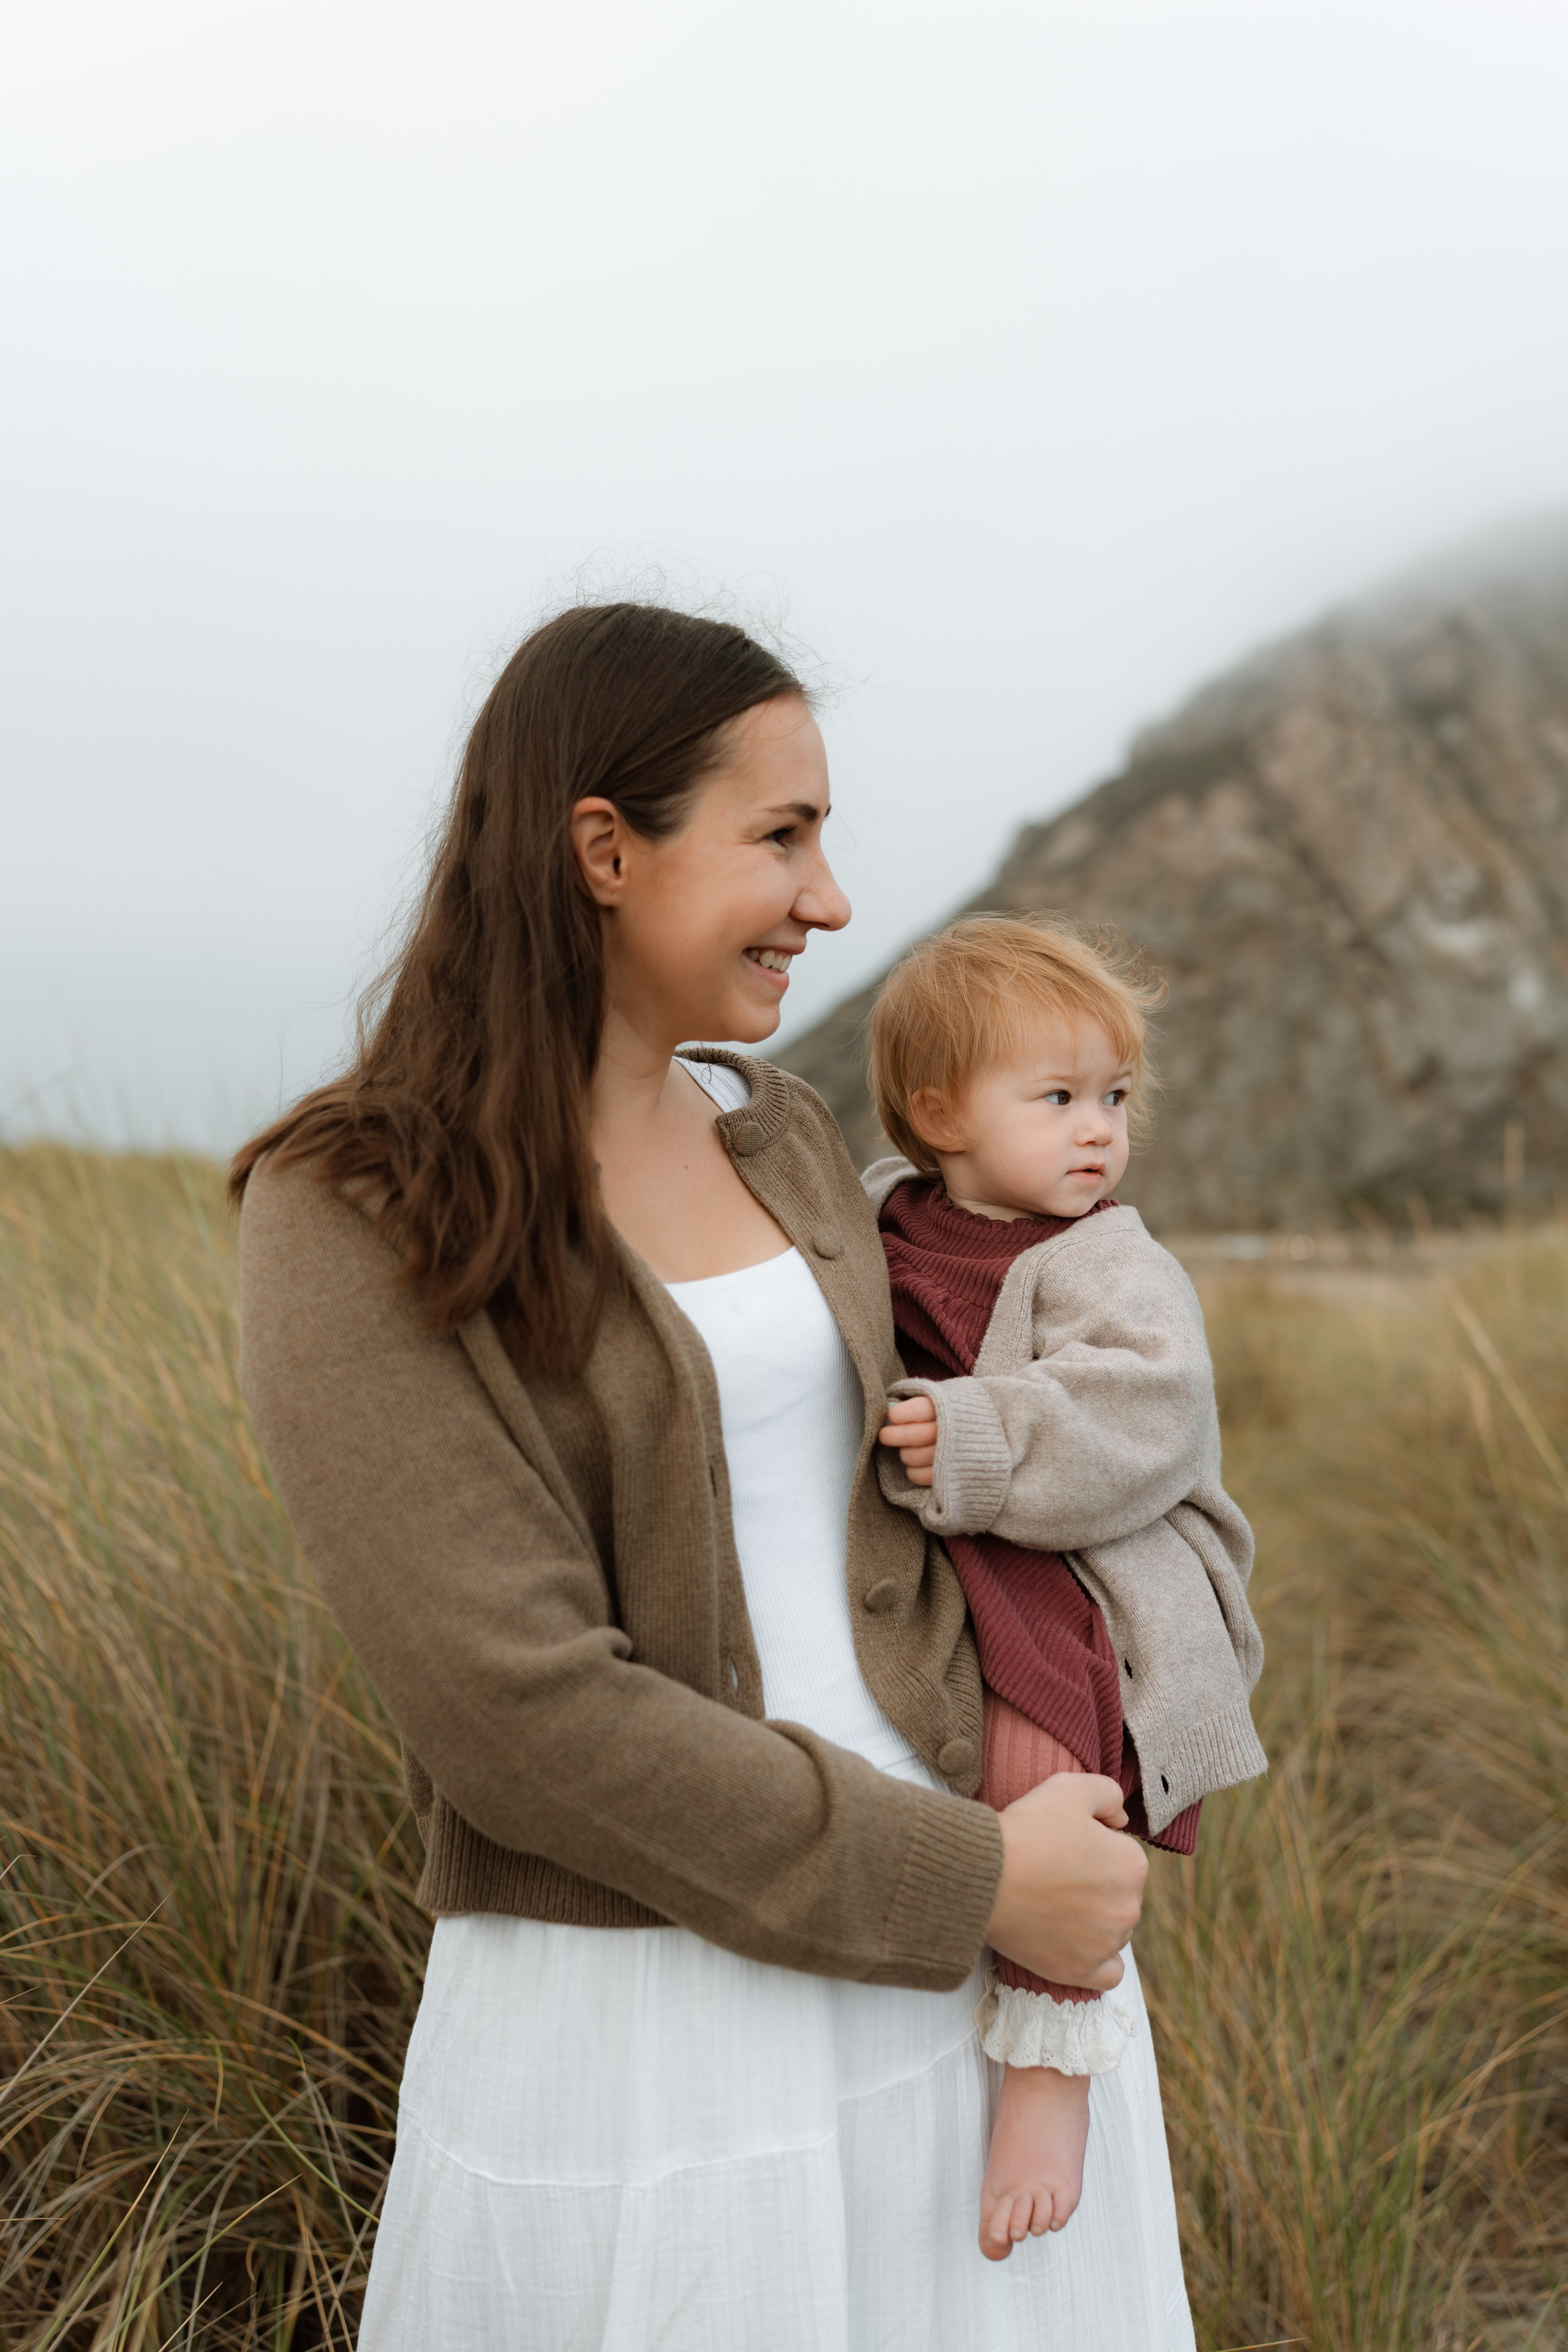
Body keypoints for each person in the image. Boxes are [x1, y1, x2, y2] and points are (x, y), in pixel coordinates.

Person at [230, 604, 1182, 2350]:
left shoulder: (789, 1131)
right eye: (783, 835)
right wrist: (973, 1880)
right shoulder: (347, 1211)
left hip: (971, 1984)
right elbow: (512, 1714)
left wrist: (1074, 1816)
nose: (831, 899)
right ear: (605, 848)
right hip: (663, 2019)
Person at [867, 914, 1267, 2261]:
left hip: (1091, 1563)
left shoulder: (1109, 1257)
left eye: (1112, 1097)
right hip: (975, 1544)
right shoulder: (886, 1222)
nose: (1097, 1130)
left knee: (1041, 1742)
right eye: (1054, 1099)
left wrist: (969, 1438)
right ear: (937, 1114)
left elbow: (1146, 1411)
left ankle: (1051, 2057)